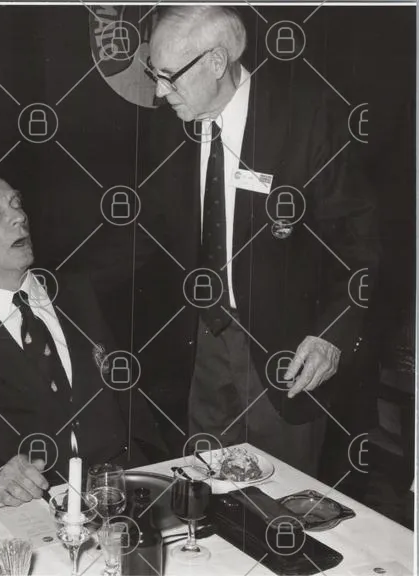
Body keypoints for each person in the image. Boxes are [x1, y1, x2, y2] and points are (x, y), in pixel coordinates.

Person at [78, 6, 379, 475]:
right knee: (205, 488)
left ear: (216, 62)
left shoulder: (307, 117)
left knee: (281, 498)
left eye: (168, 77)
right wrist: (59, 285)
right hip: (201, 345)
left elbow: (360, 245)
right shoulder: (171, 125)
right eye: (154, 75)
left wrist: (331, 337)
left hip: (287, 352)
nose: (159, 92)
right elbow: (144, 234)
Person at [0, 175, 165, 506]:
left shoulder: (79, 293)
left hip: (123, 487)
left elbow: (127, 400)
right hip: (34, 504)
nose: (18, 217)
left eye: (17, 204)